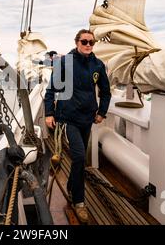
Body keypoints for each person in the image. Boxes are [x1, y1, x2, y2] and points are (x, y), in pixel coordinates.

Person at [44, 29, 111, 223]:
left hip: (87, 119)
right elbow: (51, 90)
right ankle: (79, 202)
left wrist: (102, 112)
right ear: (77, 42)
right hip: (68, 118)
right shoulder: (65, 63)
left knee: (79, 160)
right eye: (84, 41)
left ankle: (73, 188)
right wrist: (49, 113)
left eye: (91, 42)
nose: (88, 45)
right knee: (80, 156)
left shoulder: (98, 65)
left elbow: (105, 92)